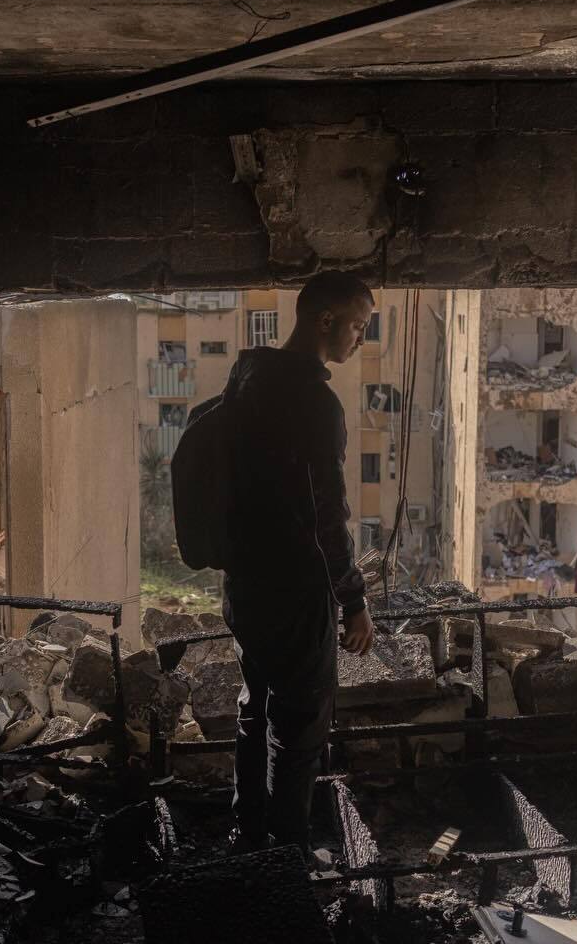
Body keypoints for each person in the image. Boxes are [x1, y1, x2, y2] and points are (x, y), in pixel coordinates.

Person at [218, 271, 376, 857]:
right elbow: (326, 515)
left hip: (245, 587)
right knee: (301, 729)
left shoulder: (246, 380)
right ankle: (286, 859)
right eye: (358, 325)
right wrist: (352, 599)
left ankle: (248, 837)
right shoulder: (316, 403)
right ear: (326, 320)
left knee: (255, 710)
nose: (360, 338)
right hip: (295, 594)